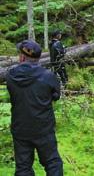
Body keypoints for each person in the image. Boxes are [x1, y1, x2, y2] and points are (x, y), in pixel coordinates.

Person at [6, 40, 63, 176]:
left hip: (20, 129)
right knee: (53, 163)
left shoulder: (10, 76)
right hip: (43, 128)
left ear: (22, 57)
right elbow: (56, 96)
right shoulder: (48, 76)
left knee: (23, 168)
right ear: (38, 58)